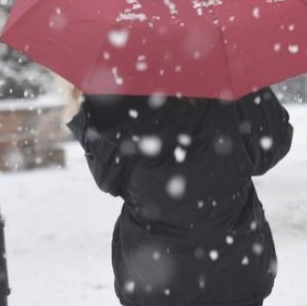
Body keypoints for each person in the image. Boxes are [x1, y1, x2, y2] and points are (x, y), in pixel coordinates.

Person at [67, 88, 292, 306]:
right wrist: (251, 87)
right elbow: (273, 143)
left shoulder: (127, 95)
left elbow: (107, 175)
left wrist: (91, 110)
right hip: (235, 272)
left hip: (152, 278)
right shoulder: (232, 88)